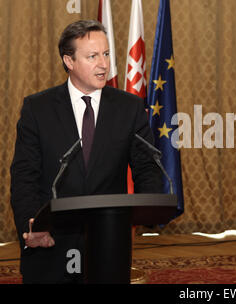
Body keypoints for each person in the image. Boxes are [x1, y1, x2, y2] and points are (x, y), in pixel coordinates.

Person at [10, 20, 162, 283]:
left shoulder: (129, 108)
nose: (103, 64)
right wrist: (32, 226)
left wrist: (149, 208)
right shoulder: (38, 109)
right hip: (52, 243)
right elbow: (25, 175)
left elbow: (147, 166)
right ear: (69, 61)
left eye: (105, 54)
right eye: (92, 56)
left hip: (108, 244)